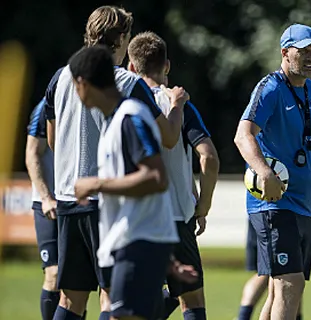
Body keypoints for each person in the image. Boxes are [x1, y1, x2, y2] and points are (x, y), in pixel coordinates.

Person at [44, 6, 188, 319]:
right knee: (112, 297)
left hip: (69, 199)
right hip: (106, 204)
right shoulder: (127, 82)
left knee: (70, 300)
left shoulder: (61, 77)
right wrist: (176, 105)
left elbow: (53, 140)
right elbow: (169, 137)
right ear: (122, 38)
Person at [234, 23, 311, 320]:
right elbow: (243, 135)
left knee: (281, 289)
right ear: (285, 53)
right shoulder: (271, 88)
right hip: (274, 204)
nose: (310, 57)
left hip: (303, 206)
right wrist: (264, 173)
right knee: (290, 283)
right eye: (303, 51)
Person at [68, 45, 179, 320]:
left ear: (82, 83)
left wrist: (96, 185)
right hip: (135, 241)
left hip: (139, 243)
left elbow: (155, 177)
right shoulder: (116, 119)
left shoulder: (130, 116)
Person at [127, 31, 220, 320]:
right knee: (191, 299)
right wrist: (202, 207)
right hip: (178, 218)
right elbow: (209, 157)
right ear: (167, 66)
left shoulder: (127, 105)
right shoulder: (180, 104)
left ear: (131, 68)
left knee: (138, 299)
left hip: (139, 218)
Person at [25, 98, 77, 320]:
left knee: (76, 284)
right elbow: (32, 153)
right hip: (48, 203)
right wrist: (46, 197)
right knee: (54, 274)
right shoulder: (46, 106)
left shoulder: (93, 101)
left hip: (76, 203)